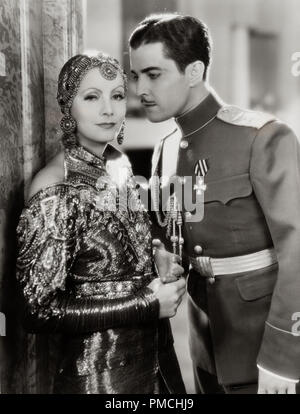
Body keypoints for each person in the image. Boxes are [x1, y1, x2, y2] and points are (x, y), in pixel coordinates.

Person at [129, 13, 300, 394]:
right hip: (205, 345)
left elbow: (298, 253)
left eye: (153, 74)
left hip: (263, 348)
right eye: (135, 75)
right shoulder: (165, 149)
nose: (139, 88)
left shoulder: (261, 137)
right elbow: (168, 235)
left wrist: (285, 358)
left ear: (194, 71)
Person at [16, 51, 187, 394]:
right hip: (101, 380)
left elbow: (113, 257)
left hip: (160, 366)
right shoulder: (55, 190)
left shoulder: (119, 164)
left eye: (118, 95)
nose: (109, 109)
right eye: (92, 97)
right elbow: (37, 309)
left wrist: (155, 262)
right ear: (68, 106)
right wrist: (146, 305)